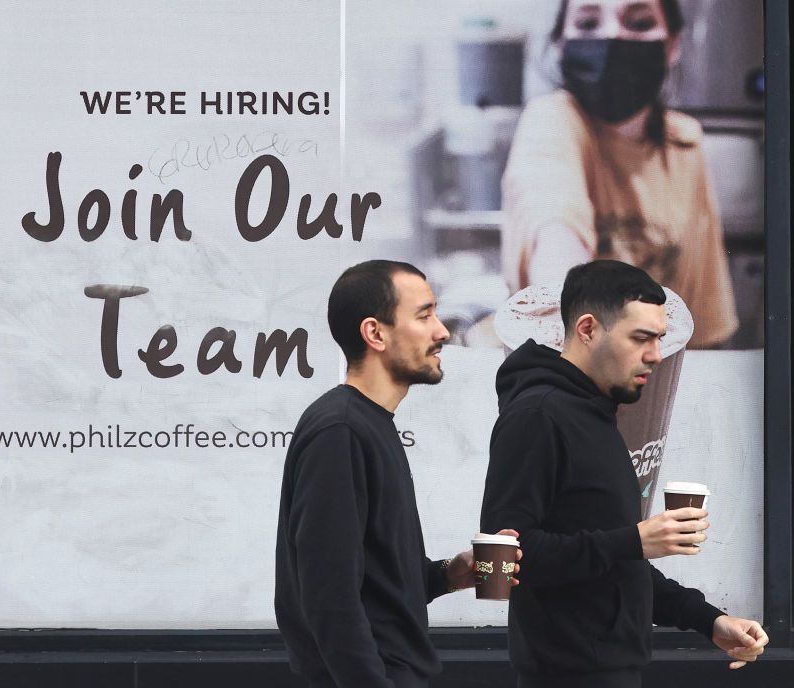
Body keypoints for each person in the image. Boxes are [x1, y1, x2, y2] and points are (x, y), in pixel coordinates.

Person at [480, 260, 767, 687]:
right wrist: (634, 539)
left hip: (612, 671)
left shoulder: (596, 417)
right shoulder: (537, 416)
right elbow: (496, 564)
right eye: (640, 338)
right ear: (588, 329)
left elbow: (615, 564)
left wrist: (709, 621)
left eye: (658, 338)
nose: (655, 354)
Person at [275, 260, 521, 688]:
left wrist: (448, 573)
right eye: (424, 316)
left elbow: (371, 583)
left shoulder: (366, 424)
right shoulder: (341, 431)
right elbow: (328, 596)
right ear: (375, 333)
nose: (443, 332)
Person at [501, 0, 738, 348]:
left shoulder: (684, 141)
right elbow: (554, 225)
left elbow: (704, 313)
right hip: (565, 363)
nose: (611, 36)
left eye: (639, 22)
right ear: (560, 44)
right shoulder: (551, 120)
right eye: (587, 23)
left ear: (672, 45)